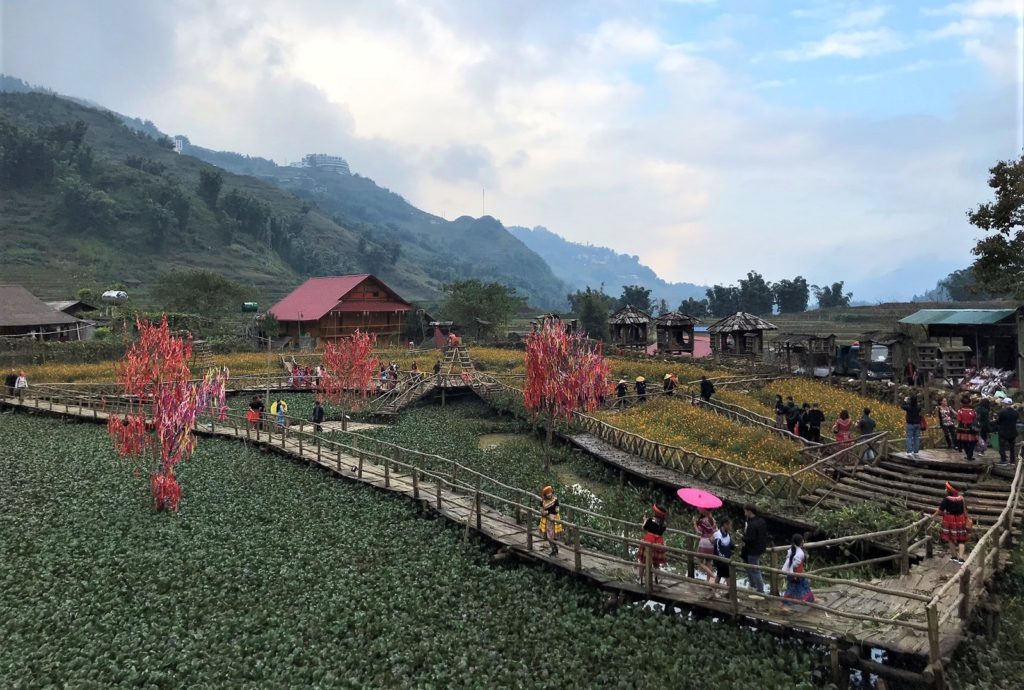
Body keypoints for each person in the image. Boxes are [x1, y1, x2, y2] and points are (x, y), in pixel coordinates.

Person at [931, 481, 970, 562]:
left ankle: (954, 556)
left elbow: (939, 510)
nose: (945, 489)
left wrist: (932, 517)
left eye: (946, 488)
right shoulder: (961, 498)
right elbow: (965, 510)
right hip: (960, 520)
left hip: (949, 520)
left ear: (949, 490)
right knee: (961, 539)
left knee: (950, 538)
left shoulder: (947, 499)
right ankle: (961, 558)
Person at [636, 504, 668, 582]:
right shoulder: (664, 524)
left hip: (649, 540)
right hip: (659, 542)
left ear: (656, 513)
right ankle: (656, 577)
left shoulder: (650, 520)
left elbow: (644, 527)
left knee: (643, 561)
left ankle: (640, 578)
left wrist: (645, 521)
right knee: (656, 562)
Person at [781, 534, 815, 607]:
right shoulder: (800, 553)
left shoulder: (791, 550)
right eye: (802, 540)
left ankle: (785, 605)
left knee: (796, 588)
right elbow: (796, 566)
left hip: (791, 573)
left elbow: (790, 564)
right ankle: (784, 605)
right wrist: (796, 575)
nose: (803, 541)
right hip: (796, 574)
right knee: (797, 588)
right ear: (800, 542)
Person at [741, 504, 767, 593]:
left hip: (753, 550)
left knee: (755, 570)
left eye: (745, 511)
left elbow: (750, 539)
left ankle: (760, 590)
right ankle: (752, 585)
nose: (744, 513)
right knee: (749, 567)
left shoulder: (752, 525)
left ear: (749, 511)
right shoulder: (761, 521)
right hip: (760, 548)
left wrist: (742, 537)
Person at [693, 508, 717, 580]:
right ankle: (708, 582)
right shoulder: (714, 520)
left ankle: (713, 576)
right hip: (711, 543)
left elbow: (699, 532)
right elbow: (716, 531)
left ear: (705, 510)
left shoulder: (703, 521)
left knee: (699, 562)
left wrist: (694, 524)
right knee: (709, 562)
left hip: (704, 543)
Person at [539, 485, 562, 555]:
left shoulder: (555, 500)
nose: (549, 494)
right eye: (547, 493)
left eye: (550, 492)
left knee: (553, 536)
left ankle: (555, 549)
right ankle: (553, 549)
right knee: (549, 536)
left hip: (554, 519)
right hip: (546, 520)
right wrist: (543, 512)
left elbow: (557, 510)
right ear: (545, 494)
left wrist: (548, 512)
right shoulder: (543, 501)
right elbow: (541, 510)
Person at [956, 396, 979, 461]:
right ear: (970, 403)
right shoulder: (973, 411)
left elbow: (959, 419)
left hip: (962, 428)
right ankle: (970, 455)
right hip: (971, 428)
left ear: (962, 403)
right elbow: (975, 419)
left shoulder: (960, 411)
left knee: (964, 442)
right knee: (972, 442)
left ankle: (968, 454)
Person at [997, 400, 1019, 465]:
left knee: (1002, 446)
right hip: (1013, 432)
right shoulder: (1015, 412)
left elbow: (998, 421)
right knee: (1012, 447)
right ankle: (1012, 460)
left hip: (1003, 432)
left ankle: (1003, 460)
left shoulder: (1002, 412)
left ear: (1005, 404)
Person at [713, 518, 734, 585]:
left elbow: (730, 545)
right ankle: (730, 592)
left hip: (726, 558)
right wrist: (721, 556)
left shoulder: (727, 534)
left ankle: (715, 591)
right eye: (730, 525)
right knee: (727, 575)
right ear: (725, 525)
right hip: (721, 559)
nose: (731, 527)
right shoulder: (718, 535)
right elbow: (717, 547)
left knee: (719, 575)